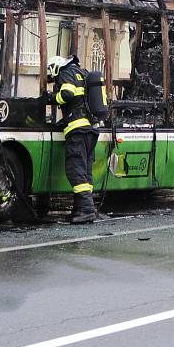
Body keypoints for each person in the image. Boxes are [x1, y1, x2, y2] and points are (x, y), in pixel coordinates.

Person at [47, 55, 99, 224]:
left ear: (55, 67)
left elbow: (67, 94)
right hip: (91, 128)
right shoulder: (82, 72)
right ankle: (80, 210)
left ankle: (87, 210)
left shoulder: (66, 73)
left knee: (75, 170)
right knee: (85, 172)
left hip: (78, 130)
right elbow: (80, 100)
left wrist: (50, 98)